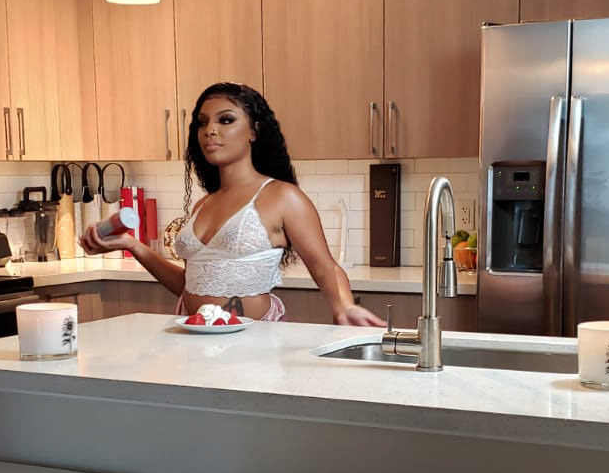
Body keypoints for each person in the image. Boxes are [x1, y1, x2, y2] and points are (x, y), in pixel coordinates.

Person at [80, 82, 385, 326]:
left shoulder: (281, 196)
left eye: (226, 120)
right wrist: (132, 245)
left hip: (256, 340)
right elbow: (192, 284)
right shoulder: (203, 204)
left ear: (254, 131)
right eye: (203, 123)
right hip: (193, 335)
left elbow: (325, 266)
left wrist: (344, 306)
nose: (210, 130)